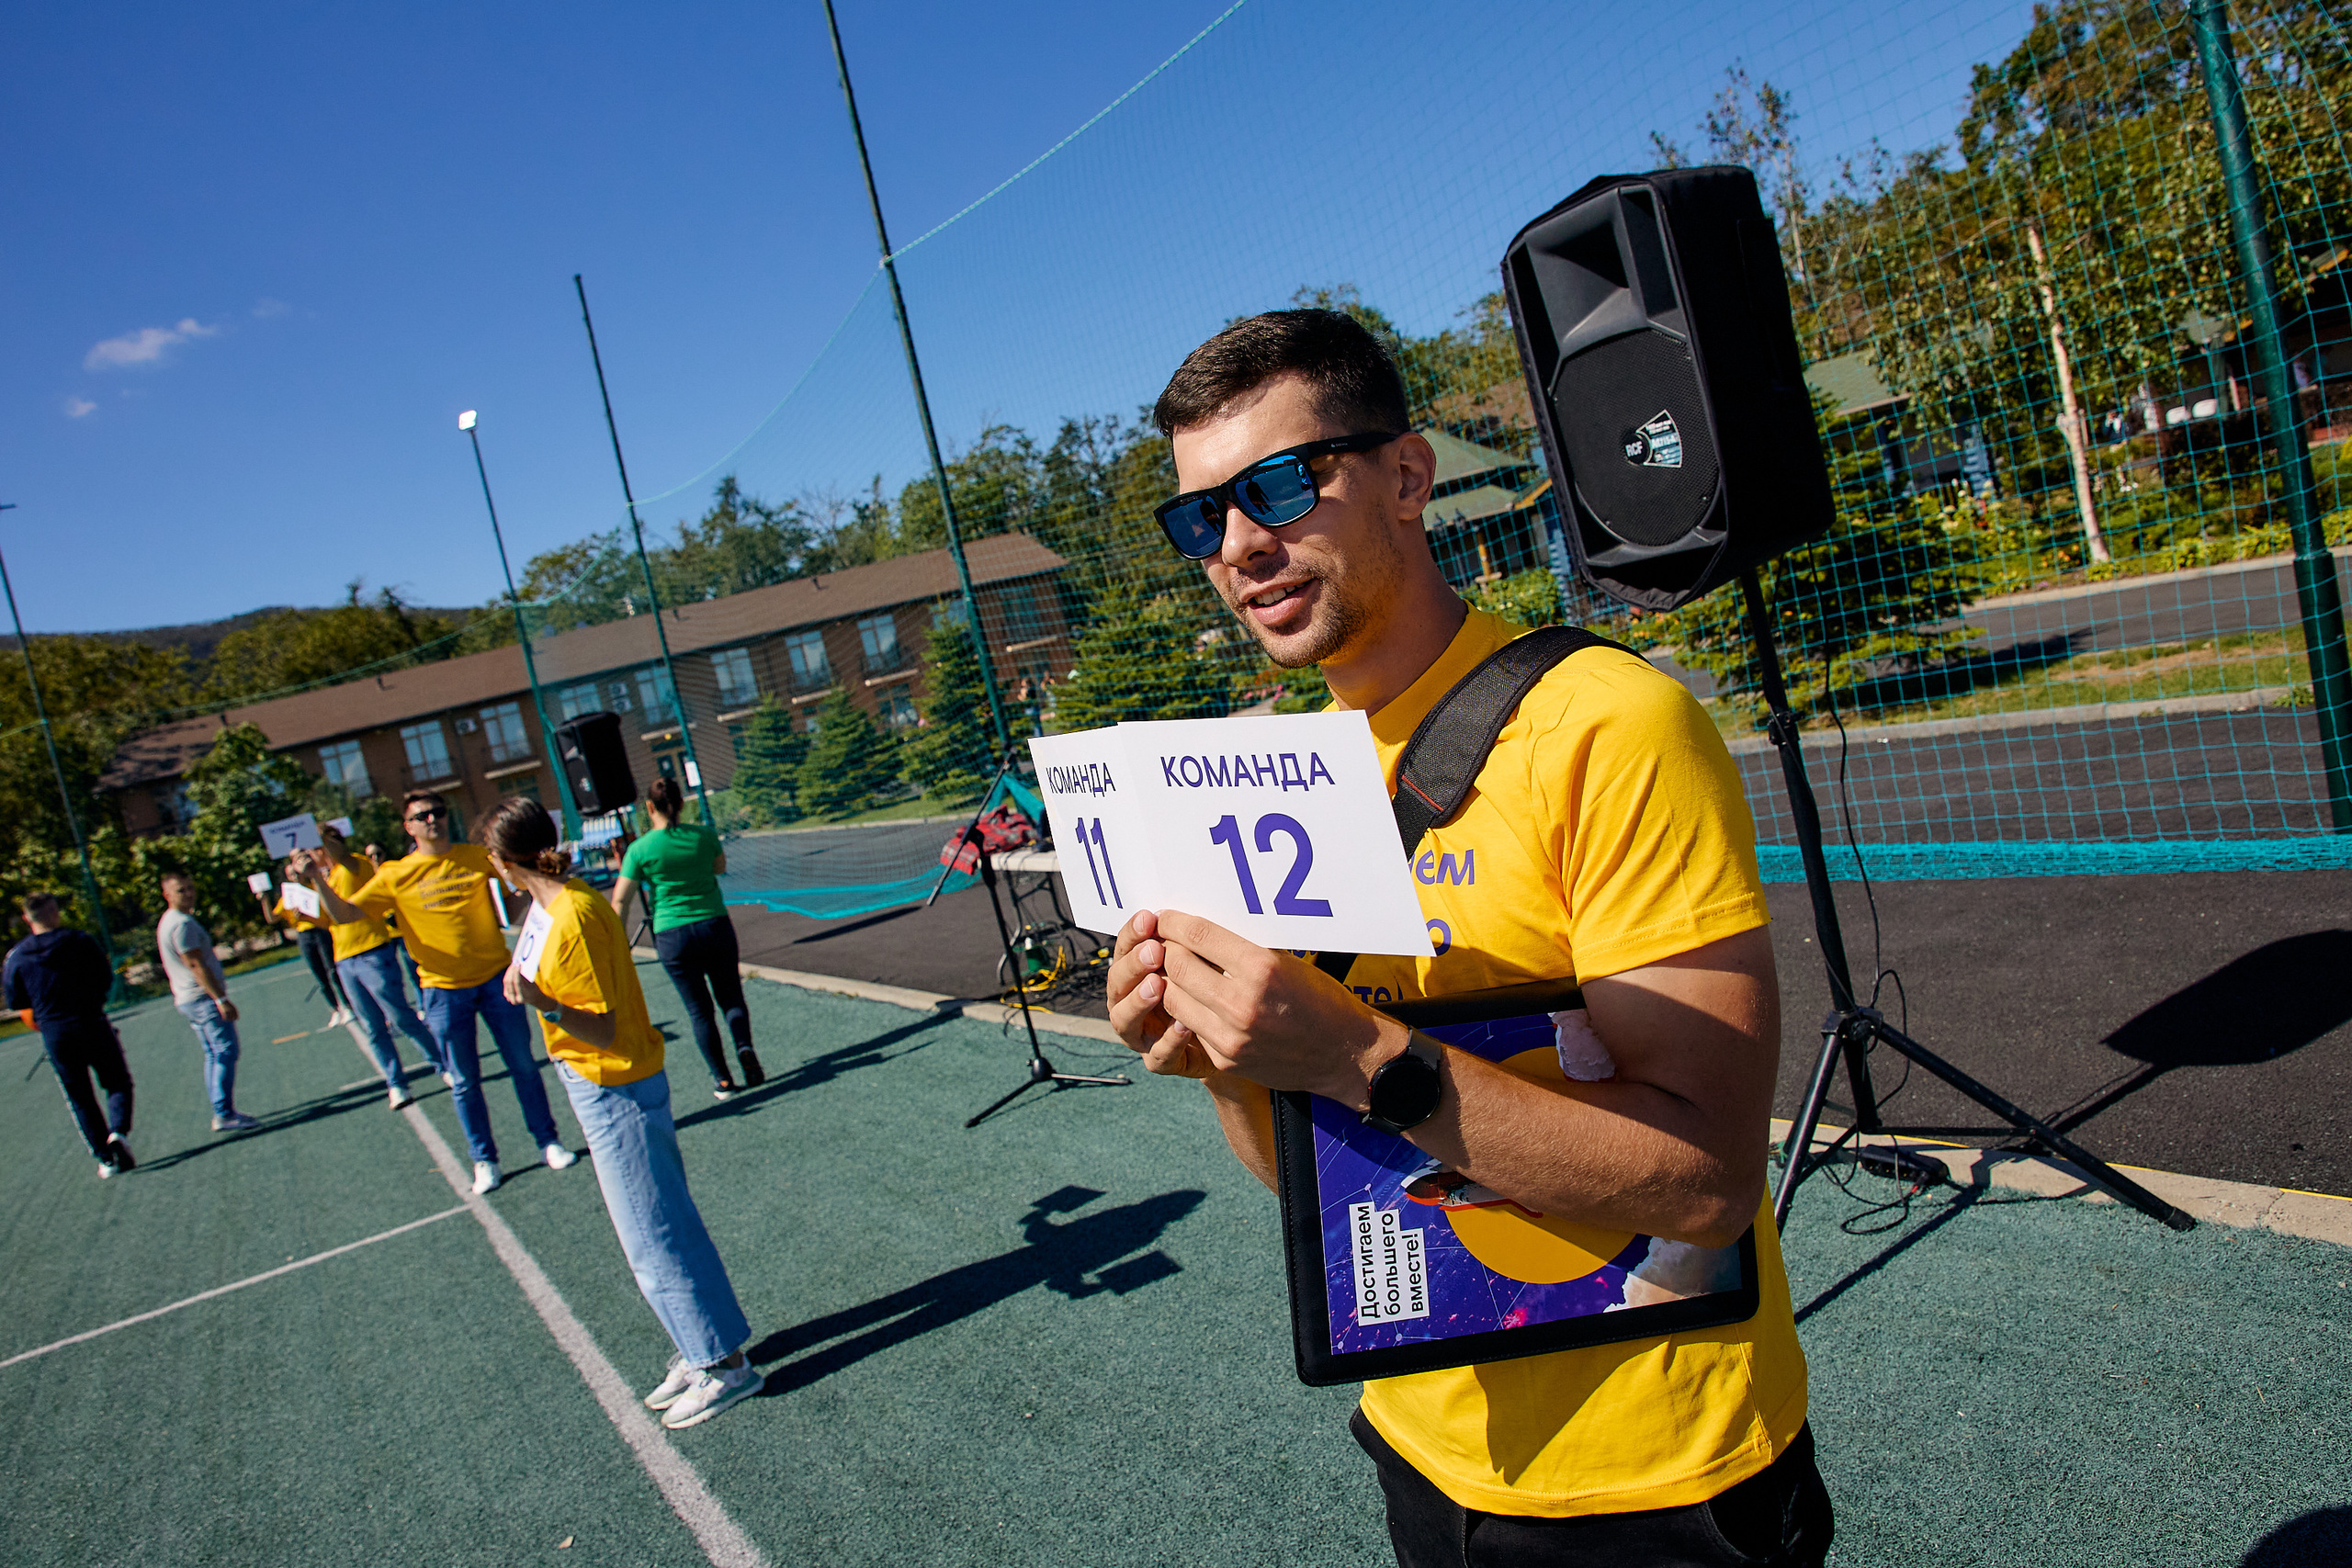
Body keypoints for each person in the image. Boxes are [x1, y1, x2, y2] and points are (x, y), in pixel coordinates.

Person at [1107, 310, 1832, 1566]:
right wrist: (1222, 1054)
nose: (1238, 544)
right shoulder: (1275, 780)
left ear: (1406, 475)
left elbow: (1708, 1182)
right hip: (1423, 1444)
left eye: (1279, 485)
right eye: (1201, 516)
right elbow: (1320, 1177)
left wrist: (1350, 1053)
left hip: (1658, 1478)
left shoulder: (1610, 726)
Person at [482, 796, 762, 1430]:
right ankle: (703, 1346)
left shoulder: (573, 913)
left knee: (654, 1232)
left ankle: (725, 1366)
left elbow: (603, 1028)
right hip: (598, 1082)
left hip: (616, 1084)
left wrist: (543, 1002)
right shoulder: (552, 907)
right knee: (653, 1229)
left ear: (504, 860)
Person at [298, 789, 574, 1194]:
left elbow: (524, 890)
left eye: (438, 812)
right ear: (408, 827)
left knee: (524, 1066)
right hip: (442, 991)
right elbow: (344, 913)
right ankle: (484, 1159)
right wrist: (314, 878)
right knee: (463, 1081)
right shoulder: (393, 874)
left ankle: (548, 1141)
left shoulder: (477, 857)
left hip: (497, 979)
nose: (433, 820)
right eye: (423, 815)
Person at [611, 776, 765, 1099]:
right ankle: (745, 1049)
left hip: (672, 934)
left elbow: (621, 899)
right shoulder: (703, 835)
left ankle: (722, 1079)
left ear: (649, 807)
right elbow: (719, 868)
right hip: (714, 924)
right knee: (731, 997)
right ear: (681, 804)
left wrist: (618, 944)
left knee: (699, 1011)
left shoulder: (639, 849)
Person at [311, 820, 447, 1109]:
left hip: (372, 951)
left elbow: (341, 856)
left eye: (320, 845)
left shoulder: (354, 865)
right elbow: (327, 920)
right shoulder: (325, 878)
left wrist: (318, 834)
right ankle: (396, 1083)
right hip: (344, 959)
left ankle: (441, 1064)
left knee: (400, 1017)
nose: (317, 852)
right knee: (372, 1027)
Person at [6, 892, 136, 1177]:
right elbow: (105, 979)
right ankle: (118, 1133)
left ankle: (106, 1158)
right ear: (55, 911)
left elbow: (16, 1001)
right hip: (92, 1022)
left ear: (27, 918)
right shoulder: (80, 941)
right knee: (117, 1082)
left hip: (56, 1032)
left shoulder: (17, 957)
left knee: (80, 1097)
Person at [155, 871, 257, 1133]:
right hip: (201, 998)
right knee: (225, 1051)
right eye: (181, 890)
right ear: (167, 895)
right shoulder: (181, 924)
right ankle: (224, 1113)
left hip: (189, 998)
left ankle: (221, 1109)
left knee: (213, 1053)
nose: (189, 894)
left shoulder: (172, 920)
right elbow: (194, 964)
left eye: (190, 887)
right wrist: (220, 999)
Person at [254, 859, 351, 1030]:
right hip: (304, 935)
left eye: (297, 873)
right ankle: (335, 1008)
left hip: (321, 931)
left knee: (332, 970)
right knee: (319, 974)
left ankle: (347, 1005)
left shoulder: (314, 888)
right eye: (291, 875)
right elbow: (272, 918)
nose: (295, 877)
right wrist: (264, 900)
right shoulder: (289, 896)